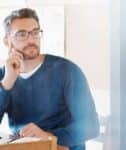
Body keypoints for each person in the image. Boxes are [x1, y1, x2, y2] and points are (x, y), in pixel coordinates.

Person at [0, 8, 99, 150]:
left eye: (35, 33)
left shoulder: (67, 71)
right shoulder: (4, 76)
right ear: (7, 41)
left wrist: (49, 136)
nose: (31, 40)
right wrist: (7, 83)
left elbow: (91, 125)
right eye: (22, 34)